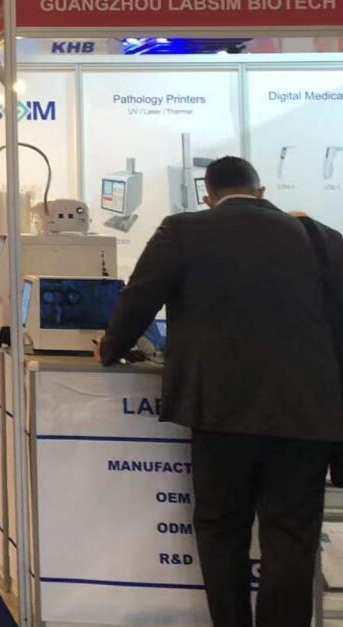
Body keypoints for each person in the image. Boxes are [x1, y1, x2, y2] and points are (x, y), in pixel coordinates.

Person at [97, 156, 343, 627]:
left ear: (208, 196)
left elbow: (138, 299)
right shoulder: (319, 236)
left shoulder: (182, 230)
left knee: (221, 530)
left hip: (220, 410)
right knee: (291, 536)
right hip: (307, 413)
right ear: (262, 191)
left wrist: (110, 348)